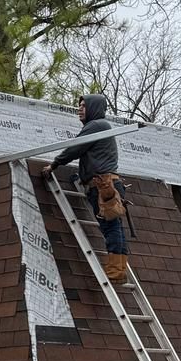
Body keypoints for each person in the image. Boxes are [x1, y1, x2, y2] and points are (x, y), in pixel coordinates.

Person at [40, 94, 129, 284]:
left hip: (103, 185)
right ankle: (118, 270)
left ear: (94, 108)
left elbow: (74, 149)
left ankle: (115, 272)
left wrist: (54, 165)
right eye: (79, 106)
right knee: (114, 227)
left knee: (110, 226)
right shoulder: (101, 127)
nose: (79, 109)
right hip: (108, 182)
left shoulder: (97, 125)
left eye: (83, 106)